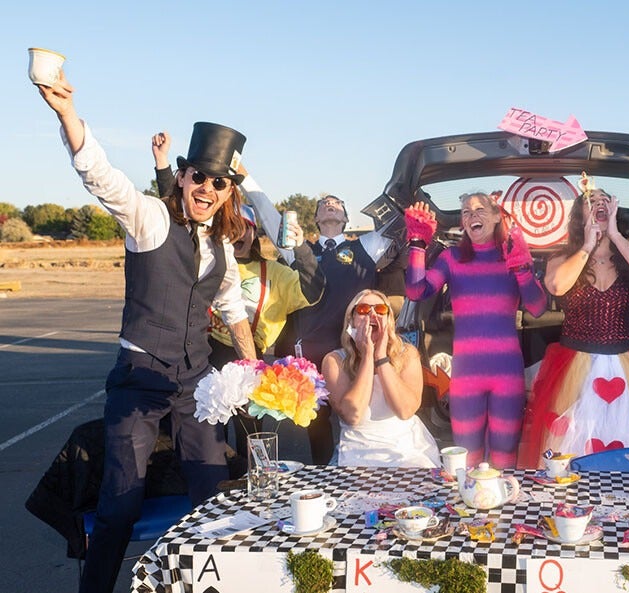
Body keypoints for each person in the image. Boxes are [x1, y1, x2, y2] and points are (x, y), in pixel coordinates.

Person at [35, 72, 258, 593]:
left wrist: (252, 368)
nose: (206, 188)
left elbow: (232, 310)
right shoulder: (151, 219)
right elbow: (100, 176)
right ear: (182, 178)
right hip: (140, 375)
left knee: (213, 496)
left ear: (228, 193)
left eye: (218, 182)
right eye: (198, 176)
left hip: (196, 383)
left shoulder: (223, 251)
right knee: (119, 504)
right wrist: (69, 115)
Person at [519, 182, 629, 468]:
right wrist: (588, 245)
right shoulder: (562, 258)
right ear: (580, 215)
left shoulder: (628, 257)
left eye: (605, 199)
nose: (600, 203)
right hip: (574, 367)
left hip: (626, 365)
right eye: (591, 201)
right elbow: (556, 285)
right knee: (571, 450)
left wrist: (615, 235)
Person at [152, 135, 324, 367]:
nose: (239, 234)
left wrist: (301, 247)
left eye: (246, 229)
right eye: (233, 227)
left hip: (245, 353)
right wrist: (162, 165)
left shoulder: (274, 272)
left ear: (254, 234)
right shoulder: (208, 256)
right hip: (199, 347)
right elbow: (177, 218)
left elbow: (313, 290)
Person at [404, 194, 547, 468]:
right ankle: (469, 509)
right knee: (466, 460)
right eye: (466, 212)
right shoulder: (452, 258)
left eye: (480, 210)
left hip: (506, 374)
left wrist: (523, 270)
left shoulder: (512, 256)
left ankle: (503, 510)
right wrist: (417, 244)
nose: (471, 216)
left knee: (504, 458)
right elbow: (416, 290)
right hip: (466, 376)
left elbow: (538, 307)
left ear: (497, 216)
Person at [277, 194, 393, 465]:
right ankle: (322, 478)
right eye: (323, 204)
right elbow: (270, 219)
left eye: (338, 203)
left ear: (346, 218)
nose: (330, 204)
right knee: (315, 425)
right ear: (315, 218)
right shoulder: (299, 248)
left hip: (350, 349)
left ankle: (358, 471)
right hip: (310, 355)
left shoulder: (366, 246)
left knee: (355, 416)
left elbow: (394, 217)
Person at [323, 289, 440, 467]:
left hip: (406, 448)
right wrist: (368, 356)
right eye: (363, 309)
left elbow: (405, 411)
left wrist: (381, 358)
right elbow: (352, 416)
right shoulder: (334, 361)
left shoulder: (407, 355)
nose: (372, 314)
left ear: (389, 321)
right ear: (351, 320)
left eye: (380, 309)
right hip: (357, 449)